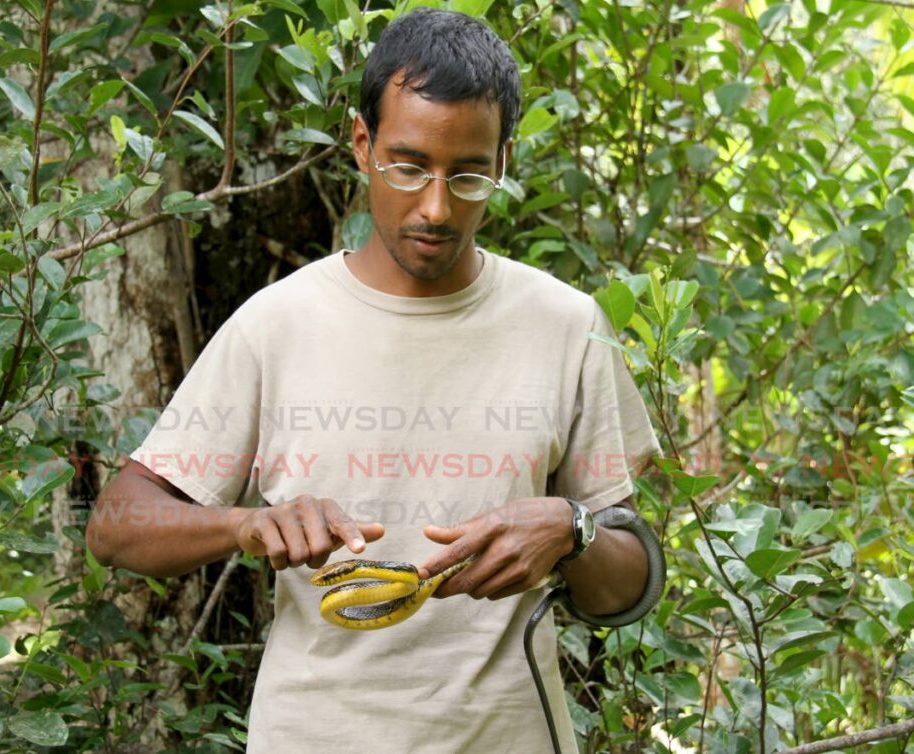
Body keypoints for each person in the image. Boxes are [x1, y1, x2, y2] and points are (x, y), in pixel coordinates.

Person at [87, 8, 661, 753]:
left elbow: (630, 584)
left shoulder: (566, 326)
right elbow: (115, 526)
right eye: (409, 165)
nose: (435, 206)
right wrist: (244, 525)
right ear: (361, 145)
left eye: (468, 175)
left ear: (504, 161)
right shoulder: (278, 325)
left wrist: (573, 531)